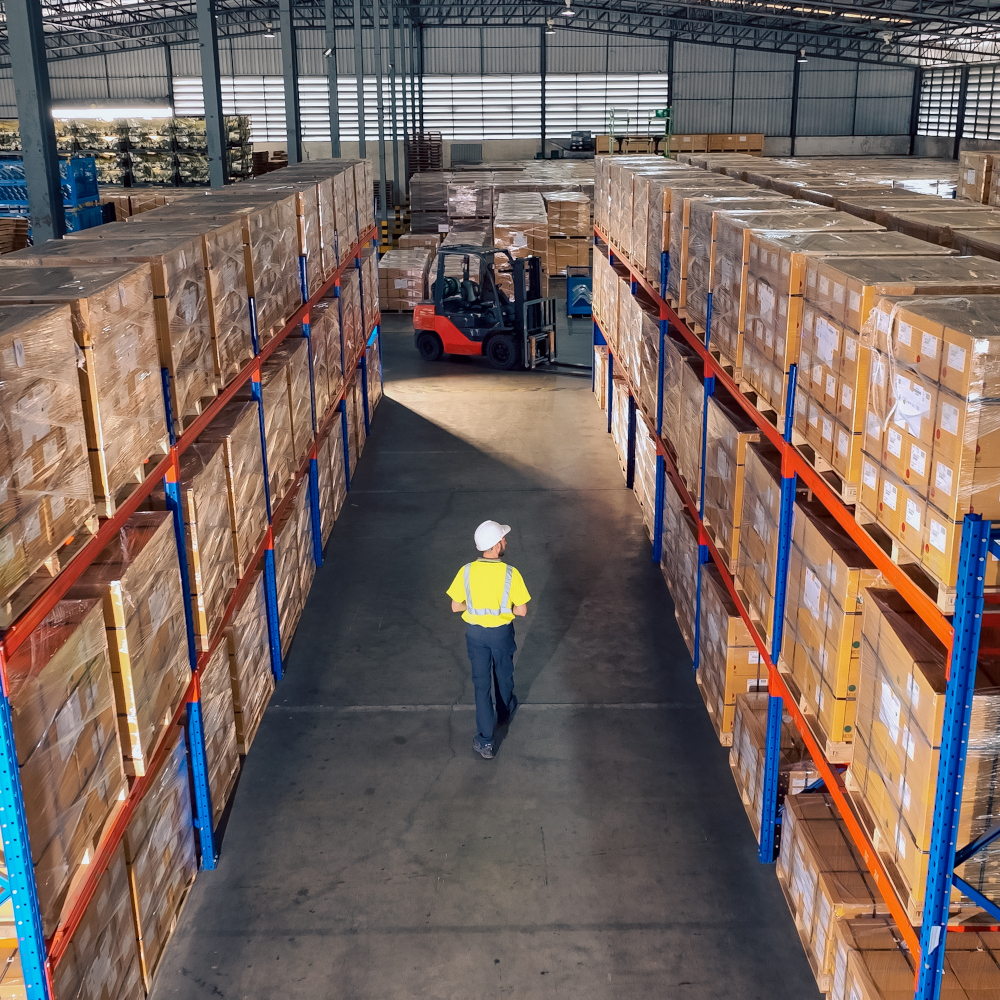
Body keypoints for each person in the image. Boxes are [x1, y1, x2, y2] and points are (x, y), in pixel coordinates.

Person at [446, 520, 531, 759]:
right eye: (503, 539)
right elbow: (522, 611)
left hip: (476, 635)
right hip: (501, 634)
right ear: (495, 546)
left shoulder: (466, 571)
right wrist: (502, 610)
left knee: (481, 686)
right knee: (503, 675)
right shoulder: (510, 574)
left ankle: (485, 741)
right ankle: (504, 712)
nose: (506, 541)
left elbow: (455, 606)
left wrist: (475, 607)